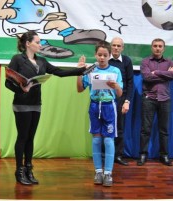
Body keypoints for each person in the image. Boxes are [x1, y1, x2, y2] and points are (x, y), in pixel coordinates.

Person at [5, 31, 88, 185]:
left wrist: (81, 70)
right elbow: (8, 83)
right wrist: (21, 89)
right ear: (28, 44)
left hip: (36, 104)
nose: (40, 45)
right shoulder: (18, 59)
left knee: (30, 138)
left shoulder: (42, 61)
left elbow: (59, 73)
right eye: (37, 42)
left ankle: (29, 170)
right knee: (22, 137)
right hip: (22, 104)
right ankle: (19, 171)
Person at [77, 41, 123, 187]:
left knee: (108, 140)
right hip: (95, 106)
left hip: (109, 107)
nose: (102, 58)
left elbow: (120, 93)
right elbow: (79, 89)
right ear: (95, 55)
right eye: (99, 55)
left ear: (110, 55)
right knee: (96, 140)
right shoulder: (90, 69)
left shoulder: (115, 71)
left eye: (105, 55)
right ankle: (98, 171)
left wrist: (115, 86)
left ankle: (108, 173)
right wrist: (79, 72)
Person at [137, 38, 173, 166]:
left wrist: (157, 72)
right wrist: (165, 73)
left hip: (165, 99)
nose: (157, 48)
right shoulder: (145, 62)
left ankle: (164, 156)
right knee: (145, 129)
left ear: (164, 48)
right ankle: (143, 154)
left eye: (160, 46)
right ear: (151, 47)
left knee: (164, 130)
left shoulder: (169, 62)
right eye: (155, 46)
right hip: (149, 98)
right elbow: (147, 77)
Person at [109, 37, 134, 166]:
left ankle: (118, 156)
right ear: (110, 46)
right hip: (106, 99)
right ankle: (105, 155)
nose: (116, 48)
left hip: (121, 100)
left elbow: (130, 83)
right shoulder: (104, 61)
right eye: (114, 45)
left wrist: (127, 101)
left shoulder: (127, 61)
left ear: (122, 48)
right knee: (105, 129)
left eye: (119, 46)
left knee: (119, 128)